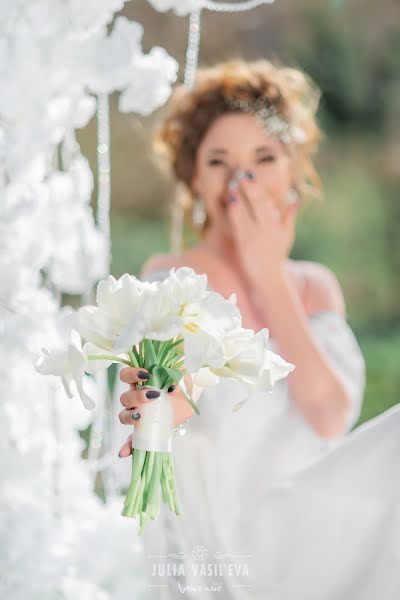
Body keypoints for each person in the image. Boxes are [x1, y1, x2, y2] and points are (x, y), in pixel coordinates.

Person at [114, 59, 400, 599]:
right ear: (195, 179)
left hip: (314, 520)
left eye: (263, 158)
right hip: (226, 541)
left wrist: (269, 276)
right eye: (219, 162)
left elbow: (330, 416)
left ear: (293, 169)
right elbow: (171, 393)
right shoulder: (173, 278)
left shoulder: (314, 286)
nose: (240, 179)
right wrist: (160, 398)